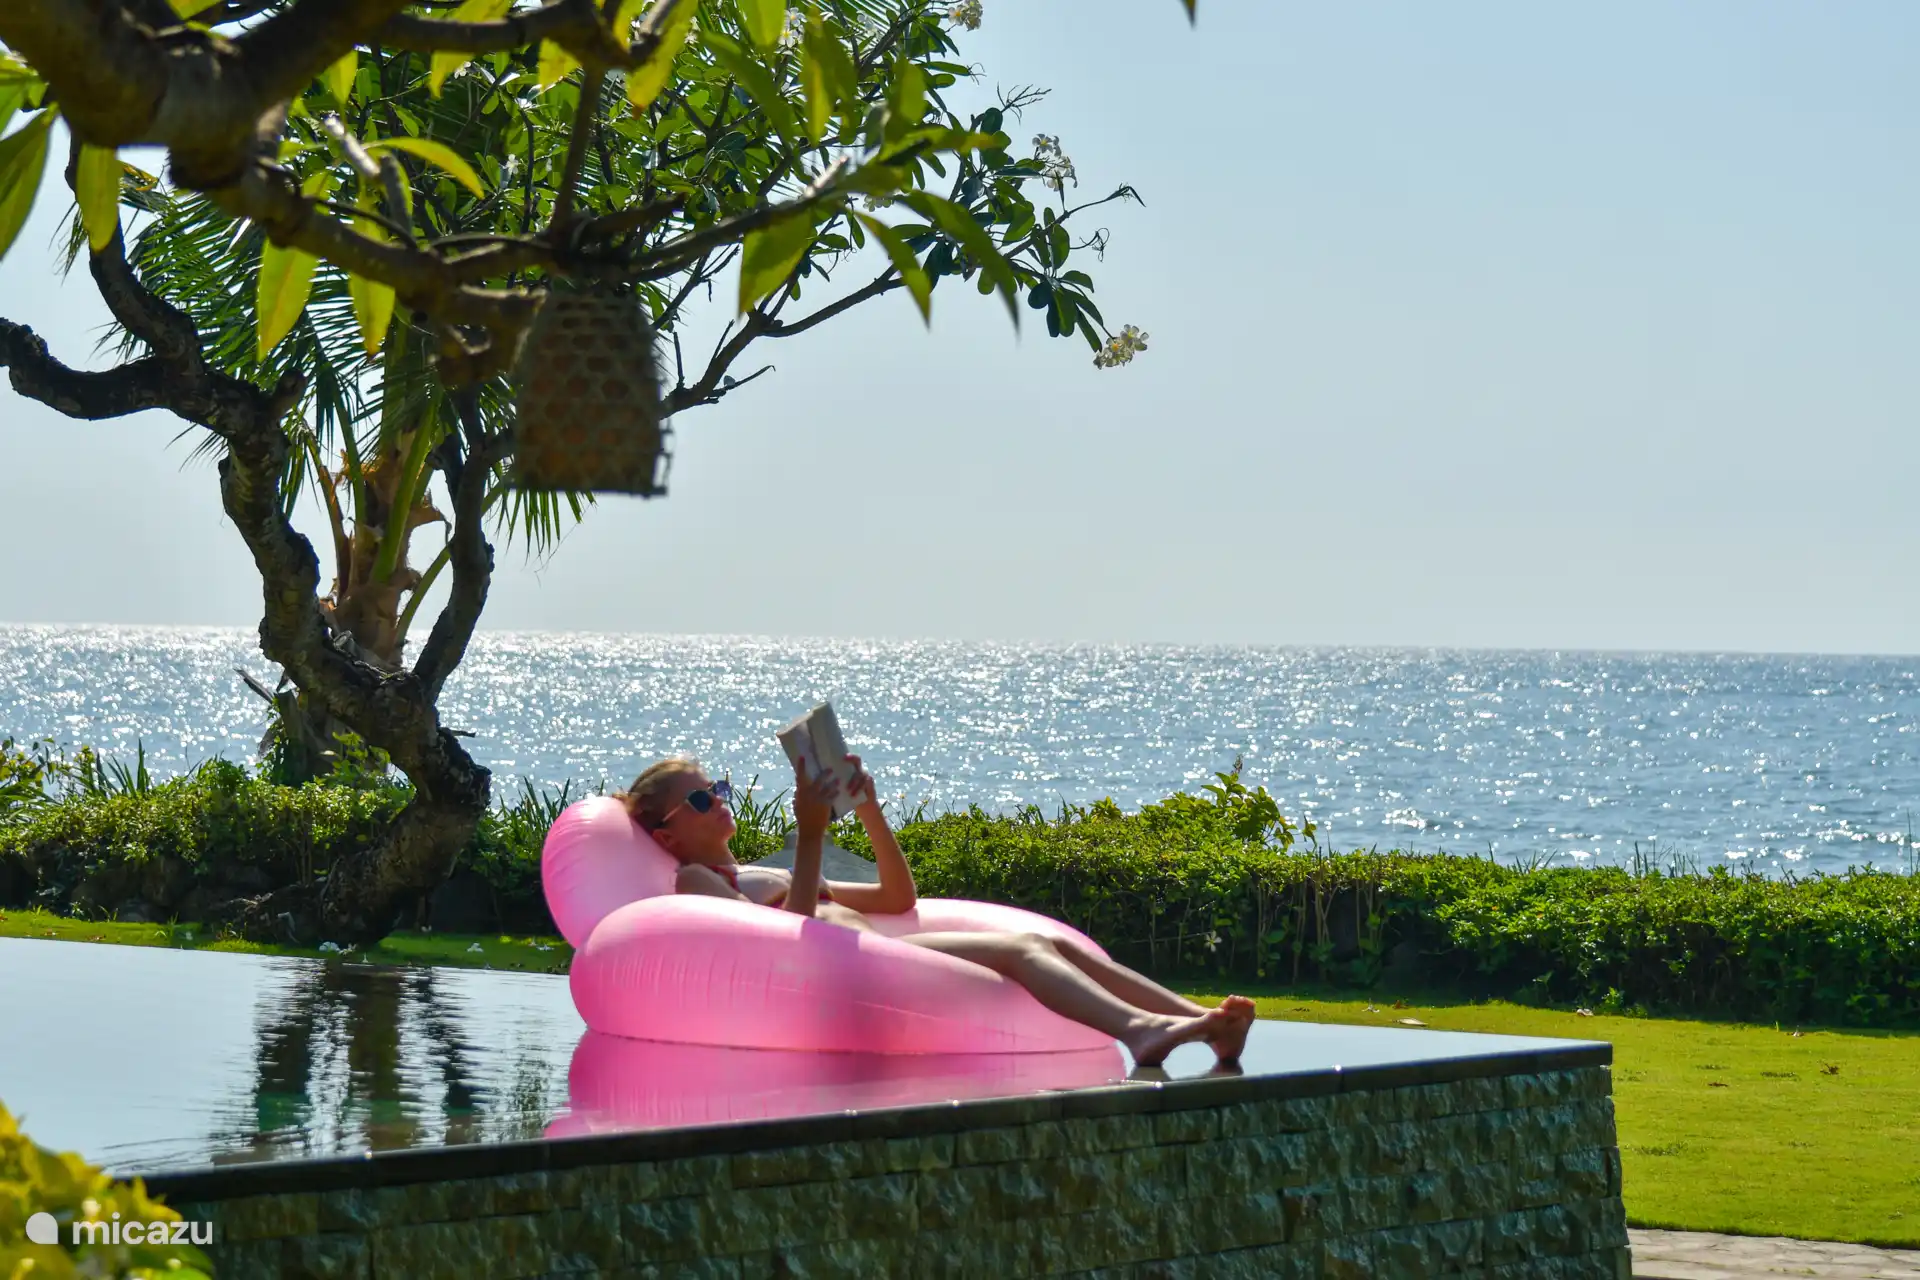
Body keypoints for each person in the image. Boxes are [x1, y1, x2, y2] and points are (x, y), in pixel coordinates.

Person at [619, 753, 1256, 1068]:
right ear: (667, 836)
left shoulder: (764, 873)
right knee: (1022, 949)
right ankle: (1139, 1030)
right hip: (842, 968)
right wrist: (810, 836)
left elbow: (897, 898)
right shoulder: (694, 880)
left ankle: (1200, 1020)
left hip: (873, 951)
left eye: (717, 789)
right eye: (699, 801)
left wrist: (867, 809)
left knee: (1053, 945)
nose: (718, 801)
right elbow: (784, 942)